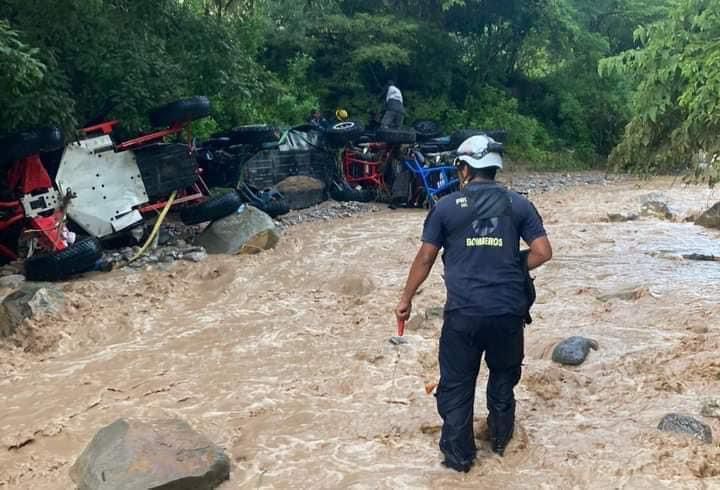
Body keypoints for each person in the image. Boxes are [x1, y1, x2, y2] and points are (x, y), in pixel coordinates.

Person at [394, 135, 553, 473]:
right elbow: (543, 252)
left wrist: (406, 299)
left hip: (463, 315)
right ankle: (500, 447)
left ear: (463, 169)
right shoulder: (519, 205)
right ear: (494, 169)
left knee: (457, 386)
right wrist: (508, 264)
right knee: (502, 380)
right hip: (508, 313)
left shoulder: (446, 207)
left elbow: (425, 258)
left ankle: (459, 462)